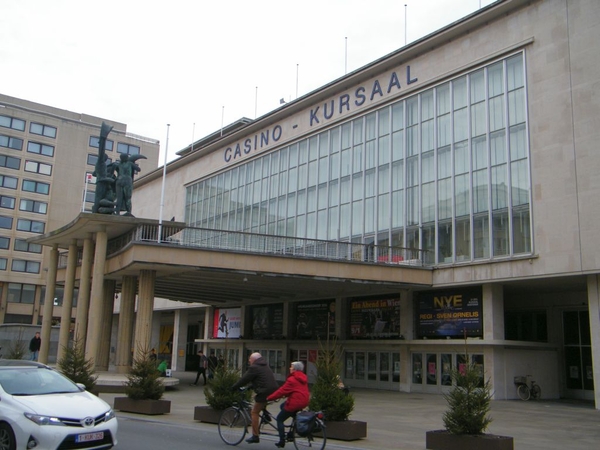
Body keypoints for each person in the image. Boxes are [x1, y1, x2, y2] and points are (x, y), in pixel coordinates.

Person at [231, 352, 278, 444]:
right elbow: (261, 379)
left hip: (264, 391)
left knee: (254, 412)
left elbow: (244, 379)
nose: (249, 360)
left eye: (250, 359)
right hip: (273, 390)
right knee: (261, 402)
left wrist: (233, 387)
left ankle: (255, 436)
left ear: (254, 359)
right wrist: (250, 387)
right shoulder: (265, 365)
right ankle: (266, 415)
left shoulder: (254, 367)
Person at [267, 361, 310, 448]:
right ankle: (293, 426)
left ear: (295, 369)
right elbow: (296, 389)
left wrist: (269, 398)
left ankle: (281, 441)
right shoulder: (303, 377)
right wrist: (287, 394)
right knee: (282, 406)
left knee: (280, 419)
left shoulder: (292, 379)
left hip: (295, 402)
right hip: (304, 401)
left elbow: (281, 390)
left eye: (291, 367)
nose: (290, 368)